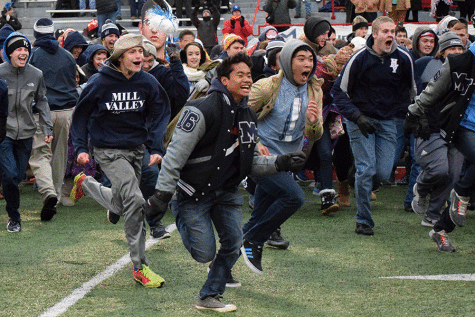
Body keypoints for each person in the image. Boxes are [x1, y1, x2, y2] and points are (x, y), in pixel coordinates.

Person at [144, 52, 306, 311]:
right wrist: (163, 195)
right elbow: (174, 156)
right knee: (204, 253)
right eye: (240, 75)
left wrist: (281, 162)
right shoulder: (200, 109)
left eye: (249, 75)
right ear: (224, 80)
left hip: (227, 192)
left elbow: (249, 162)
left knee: (233, 243)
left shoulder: (248, 116)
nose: (247, 80)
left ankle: (210, 295)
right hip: (193, 193)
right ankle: (178, 210)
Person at [70, 33, 170, 287]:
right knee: (135, 201)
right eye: (133, 52)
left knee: (122, 201)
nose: (140, 56)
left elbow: (161, 109)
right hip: (108, 151)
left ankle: (87, 184)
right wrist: (81, 147)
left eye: (141, 52)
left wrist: (155, 145)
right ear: (120, 57)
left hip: (136, 150)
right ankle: (140, 267)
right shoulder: (99, 83)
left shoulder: (146, 81)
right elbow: (80, 116)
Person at [241, 39, 323, 274]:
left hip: (287, 161)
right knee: (294, 197)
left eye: (310, 59)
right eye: (301, 59)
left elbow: (315, 135)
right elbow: (240, 117)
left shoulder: (314, 90)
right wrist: (255, 143)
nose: (307, 64)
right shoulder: (267, 86)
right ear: (287, 61)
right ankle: (255, 240)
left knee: (256, 219)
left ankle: (220, 270)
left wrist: (313, 122)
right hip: (260, 159)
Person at [331, 16, 415, 236]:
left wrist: (415, 115)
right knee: (367, 169)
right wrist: (357, 117)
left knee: (382, 174)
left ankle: (354, 175)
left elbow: (412, 92)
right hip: (360, 119)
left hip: (388, 121)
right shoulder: (359, 58)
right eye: (385, 31)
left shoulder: (404, 58)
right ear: (374, 34)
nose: (390, 35)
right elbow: (338, 91)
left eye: (393, 31)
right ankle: (363, 221)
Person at [404, 32, 475, 253]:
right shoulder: (458, 62)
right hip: (463, 124)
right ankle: (460, 195)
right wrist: (414, 112)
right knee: (447, 172)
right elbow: (432, 90)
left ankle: (441, 229)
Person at [0, 32, 53, 232]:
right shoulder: (0, 73)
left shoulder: (36, 74)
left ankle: (10, 195)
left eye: (26, 49)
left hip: (27, 133)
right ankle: (14, 217)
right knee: (10, 175)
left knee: (18, 174)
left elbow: (42, 101)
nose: (23, 53)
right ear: (9, 53)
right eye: (18, 50)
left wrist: (47, 127)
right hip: (3, 133)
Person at [411, 31, 464, 228]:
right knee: (439, 170)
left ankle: (432, 214)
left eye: (460, 48)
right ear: (442, 51)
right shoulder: (424, 65)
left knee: (454, 175)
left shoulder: (467, 69)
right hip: (431, 127)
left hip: (457, 129)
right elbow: (412, 92)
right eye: (452, 48)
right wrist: (419, 119)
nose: (457, 52)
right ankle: (421, 187)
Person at [28, 19, 78, 221]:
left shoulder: (32, 56)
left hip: (43, 112)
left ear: (35, 35)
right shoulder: (67, 56)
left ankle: (48, 192)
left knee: (41, 154)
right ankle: (56, 194)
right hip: (66, 111)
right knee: (59, 154)